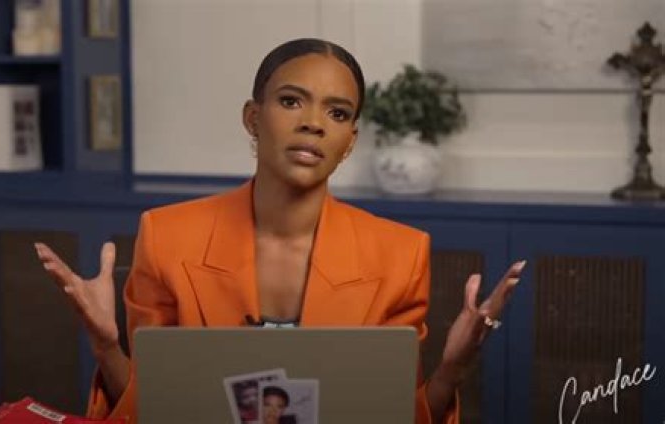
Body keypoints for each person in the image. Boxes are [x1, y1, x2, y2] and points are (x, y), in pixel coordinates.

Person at [34, 38, 525, 423]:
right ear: (253, 118)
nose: (314, 124)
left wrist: (450, 371)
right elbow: (153, 410)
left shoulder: (401, 253)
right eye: (292, 101)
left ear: (349, 141)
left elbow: (391, 417)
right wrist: (106, 346)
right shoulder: (166, 236)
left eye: (337, 113)